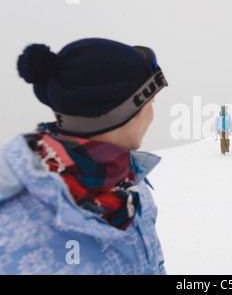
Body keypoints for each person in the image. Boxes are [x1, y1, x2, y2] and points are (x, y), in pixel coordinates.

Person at [0, 38, 168, 274]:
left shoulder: (130, 181)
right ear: (126, 113)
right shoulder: (11, 224)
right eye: (151, 101)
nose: (153, 113)